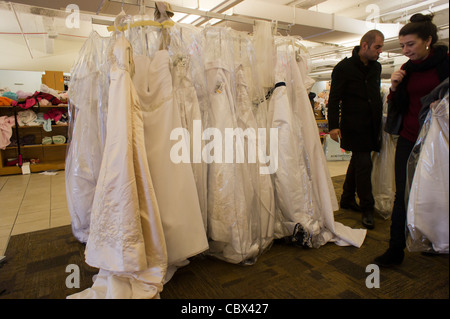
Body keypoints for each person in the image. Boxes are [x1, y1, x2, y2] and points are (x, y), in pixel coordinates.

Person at [374, 14, 449, 267]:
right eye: (402, 45)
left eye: (410, 44)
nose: (405, 50)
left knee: (438, 194)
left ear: (427, 40)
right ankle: (395, 248)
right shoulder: (406, 69)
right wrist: (394, 89)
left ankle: (434, 240)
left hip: (438, 143)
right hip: (409, 138)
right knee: (403, 194)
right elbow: (399, 106)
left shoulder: (445, 64)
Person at [327, 29, 385, 229]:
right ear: (365, 45)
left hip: (372, 124)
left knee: (357, 162)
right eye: (377, 47)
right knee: (364, 164)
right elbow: (334, 99)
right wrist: (333, 126)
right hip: (354, 125)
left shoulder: (376, 67)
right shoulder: (344, 68)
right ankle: (367, 207)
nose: (380, 52)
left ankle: (346, 198)